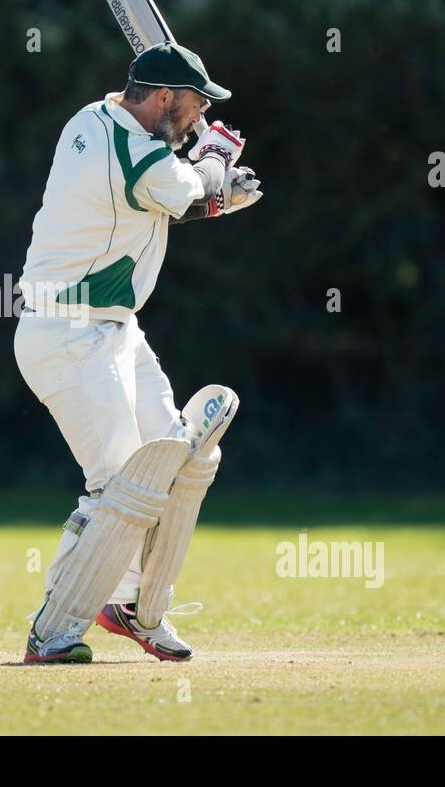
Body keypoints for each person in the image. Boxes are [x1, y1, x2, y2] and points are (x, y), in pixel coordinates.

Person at [14, 42, 262, 664]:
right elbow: (178, 184)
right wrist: (213, 164)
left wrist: (210, 185)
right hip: (69, 334)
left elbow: (165, 197)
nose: (199, 111)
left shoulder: (93, 120)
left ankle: (130, 604)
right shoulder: (131, 147)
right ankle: (55, 628)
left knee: (174, 465)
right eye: (196, 102)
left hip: (111, 328)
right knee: (121, 488)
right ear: (164, 97)